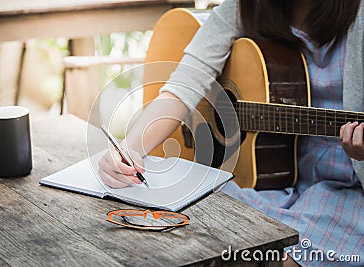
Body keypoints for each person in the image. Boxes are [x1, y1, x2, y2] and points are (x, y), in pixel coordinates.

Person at [98, 0, 364, 266]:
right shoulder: (244, 6)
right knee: (179, 218)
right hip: (271, 185)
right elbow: (182, 86)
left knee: (287, 258)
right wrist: (129, 149)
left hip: (349, 193)